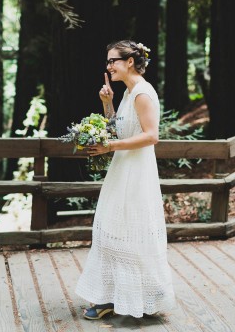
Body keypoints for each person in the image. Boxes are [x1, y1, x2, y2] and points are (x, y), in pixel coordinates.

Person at [75, 40, 175, 319]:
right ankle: (110, 296)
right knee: (111, 229)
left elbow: (152, 136)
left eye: (113, 61)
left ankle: (146, 296)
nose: (109, 67)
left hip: (137, 173)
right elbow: (119, 131)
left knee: (131, 231)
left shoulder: (143, 93)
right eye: (108, 62)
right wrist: (107, 103)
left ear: (130, 61)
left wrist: (109, 148)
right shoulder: (130, 93)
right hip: (122, 170)